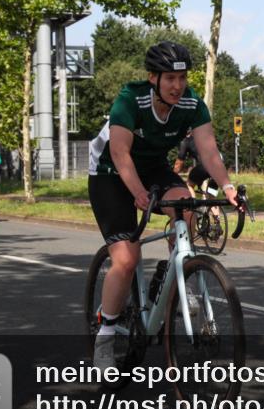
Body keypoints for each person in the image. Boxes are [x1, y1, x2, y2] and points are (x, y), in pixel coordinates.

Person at [88, 41, 239, 371]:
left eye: (182, 79)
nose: (177, 86)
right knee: (127, 259)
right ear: (153, 78)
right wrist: (139, 193)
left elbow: (209, 151)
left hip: (152, 167)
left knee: (184, 206)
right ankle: (105, 334)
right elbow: (119, 154)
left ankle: (178, 274)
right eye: (170, 78)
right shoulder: (131, 99)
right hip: (110, 173)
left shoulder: (191, 103)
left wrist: (227, 187)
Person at [173, 128, 226, 195]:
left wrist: (173, 175)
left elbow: (179, 163)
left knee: (189, 184)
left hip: (206, 165)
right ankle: (213, 204)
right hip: (219, 163)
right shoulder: (203, 136)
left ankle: (193, 204)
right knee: (211, 194)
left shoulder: (185, 141)